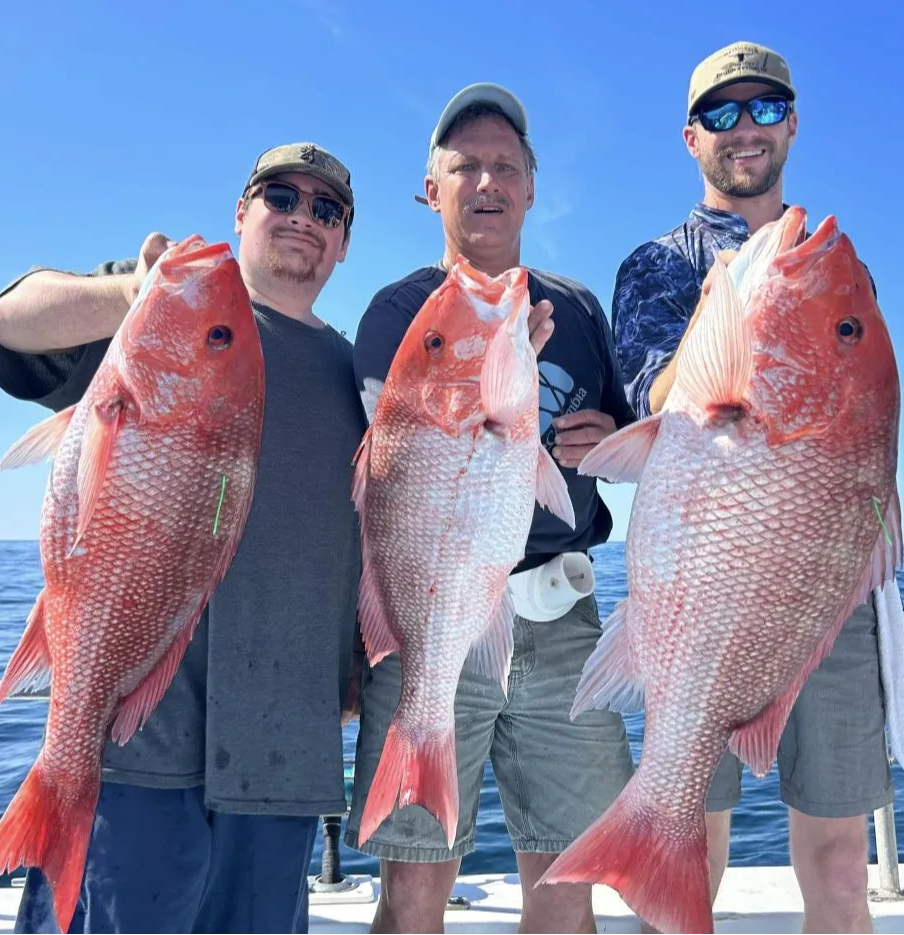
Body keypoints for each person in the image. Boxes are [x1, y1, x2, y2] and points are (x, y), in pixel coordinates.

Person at [0, 142, 368, 934]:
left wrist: (351, 674)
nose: (302, 217)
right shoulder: (157, 312)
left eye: (326, 209)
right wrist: (130, 290)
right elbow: (1, 326)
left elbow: (361, 543)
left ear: (344, 241)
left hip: (281, 755)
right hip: (135, 747)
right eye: (279, 198)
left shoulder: (352, 375)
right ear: (241, 212)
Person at [611, 41, 893, 935]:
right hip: (709, 576)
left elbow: (863, 426)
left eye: (765, 108)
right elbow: (655, 398)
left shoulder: (833, 269)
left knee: (842, 859)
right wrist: (737, 312)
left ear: (793, 124)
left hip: (826, 588)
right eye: (723, 113)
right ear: (690, 138)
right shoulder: (657, 265)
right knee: (696, 827)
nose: (745, 128)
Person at [343, 82, 637, 935]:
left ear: (531, 187)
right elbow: (389, 476)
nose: (485, 180)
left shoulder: (577, 307)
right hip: (435, 609)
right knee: (414, 890)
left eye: (504, 164)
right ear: (430, 190)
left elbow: (617, 439)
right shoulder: (401, 314)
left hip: (562, 614)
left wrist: (602, 442)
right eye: (463, 165)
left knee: (567, 882)